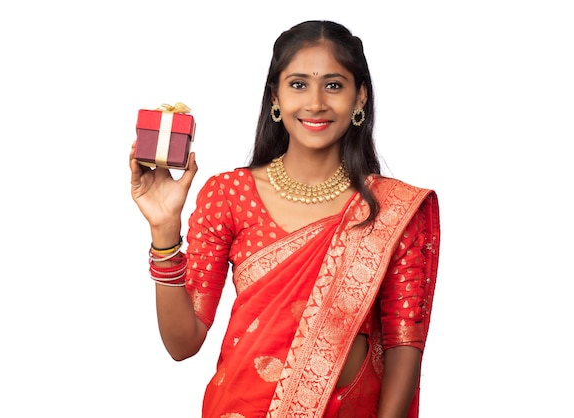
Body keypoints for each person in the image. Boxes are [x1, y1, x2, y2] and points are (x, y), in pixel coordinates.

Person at [129, 20, 440, 418]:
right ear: (274, 96)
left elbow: (403, 346)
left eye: (333, 85)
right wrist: (164, 230)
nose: (315, 103)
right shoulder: (228, 194)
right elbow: (181, 343)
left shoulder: (391, 209)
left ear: (359, 98)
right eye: (297, 84)